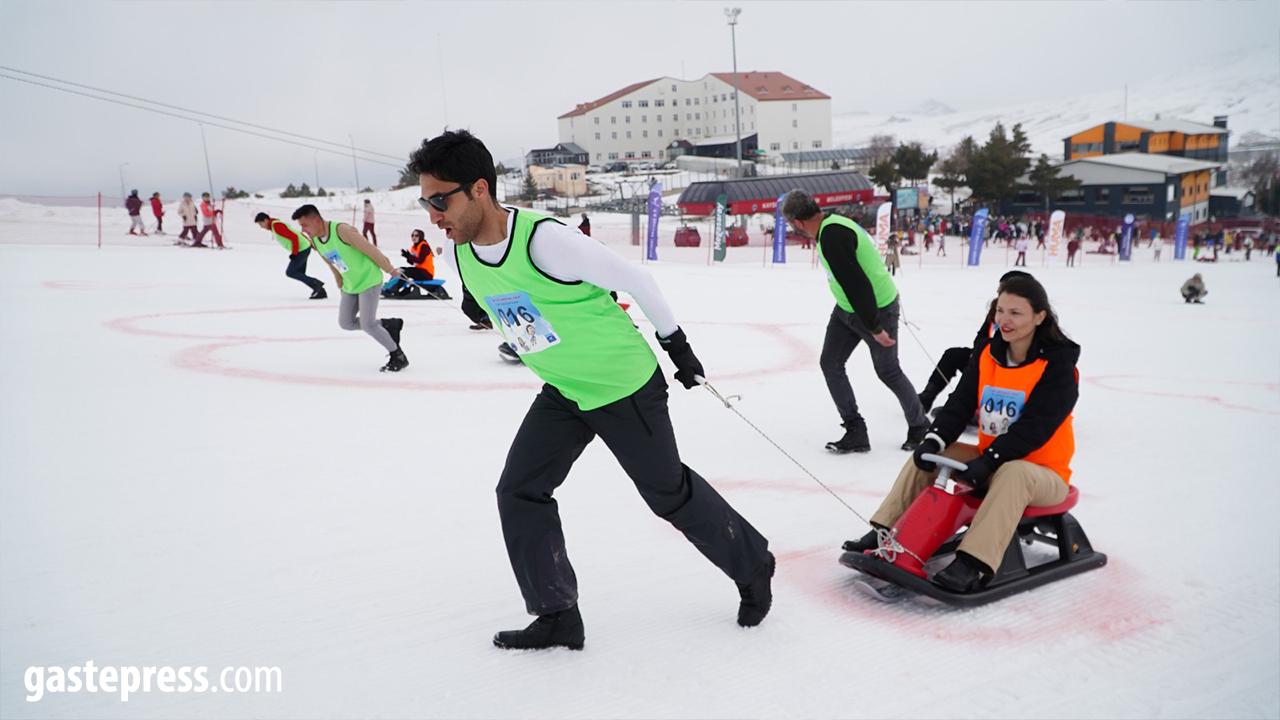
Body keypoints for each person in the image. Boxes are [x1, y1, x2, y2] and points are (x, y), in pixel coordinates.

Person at [409, 129, 774, 651]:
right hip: (564, 389)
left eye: (439, 200)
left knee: (666, 494)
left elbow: (637, 281)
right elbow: (511, 308)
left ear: (480, 190)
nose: (432, 214)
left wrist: (677, 345)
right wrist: (482, 308)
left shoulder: (545, 240)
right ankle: (558, 614)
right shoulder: (460, 254)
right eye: (425, 201)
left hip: (623, 386)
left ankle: (753, 562)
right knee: (519, 491)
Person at [845, 274, 1079, 592]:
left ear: (1039, 316)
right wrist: (934, 438)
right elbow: (959, 404)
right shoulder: (988, 355)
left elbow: (1035, 429)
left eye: (1016, 313)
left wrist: (991, 460)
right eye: (1000, 311)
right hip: (992, 462)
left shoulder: (1058, 368)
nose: (1004, 320)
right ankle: (887, 530)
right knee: (929, 455)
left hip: (1044, 475)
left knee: (1013, 472)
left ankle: (972, 563)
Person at [781, 189, 929, 454]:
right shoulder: (831, 225)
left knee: (888, 371)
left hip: (876, 309)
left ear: (799, 222)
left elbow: (858, 284)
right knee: (831, 363)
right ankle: (855, 430)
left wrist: (875, 327)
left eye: (793, 225)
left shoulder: (832, 235)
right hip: (847, 310)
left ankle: (920, 428)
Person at [292, 204, 408, 371]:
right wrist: (340, 284)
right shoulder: (316, 241)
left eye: (305, 225)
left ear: (316, 220)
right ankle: (388, 324)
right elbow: (332, 263)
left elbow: (370, 249)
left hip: (369, 280)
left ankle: (398, 355)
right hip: (350, 285)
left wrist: (389, 269)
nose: (303, 230)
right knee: (346, 323)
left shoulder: (342, 231)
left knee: (368, 325)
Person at [916, 270, 1033, 415]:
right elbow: (981, 336)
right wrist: (980, 353)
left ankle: (964, 409)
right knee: (954, 355)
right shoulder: (997, 308)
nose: (998, 293)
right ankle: (926, 398)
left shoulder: (1029, 315)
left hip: (1011, 371)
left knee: (976, 366)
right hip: (990, 356)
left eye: (1002, 290)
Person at [255, 212, 326, 299]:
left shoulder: (276, 226)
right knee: (299, 273)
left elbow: (294, 237)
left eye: (261, 224)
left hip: (301, 249)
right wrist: (309, 243)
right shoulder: (276, 224)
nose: (261, 227)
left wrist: (294, 253)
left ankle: (317, 285)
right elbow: (297, 233)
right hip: (304, 247)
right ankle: (320, 291)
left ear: (265, 220)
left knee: (291, 272)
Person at [383, 229, 441, 298]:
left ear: (421, 237)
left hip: (427, 273)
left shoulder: (424, 246)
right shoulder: (414, 247)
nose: (414, 237)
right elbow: (412, 262)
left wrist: (409, 256)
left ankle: (395, 289)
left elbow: (420, 260)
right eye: (412, 235)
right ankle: (390, 286)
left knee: (406, 272)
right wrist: (407, 256)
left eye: (416, 235)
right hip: (419, 270)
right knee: (400, 269)